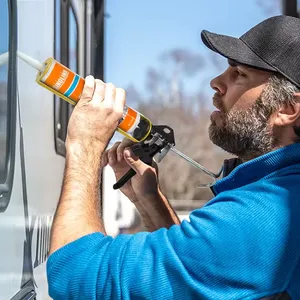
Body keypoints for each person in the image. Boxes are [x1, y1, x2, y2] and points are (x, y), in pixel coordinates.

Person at [47, 15, 300, 299]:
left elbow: (74, 276)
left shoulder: (269, 213)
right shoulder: (277, 194)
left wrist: (86, 145)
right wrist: (149, 199)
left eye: (239, 74)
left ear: (288, 109)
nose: (216, 82)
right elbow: (198, 281)